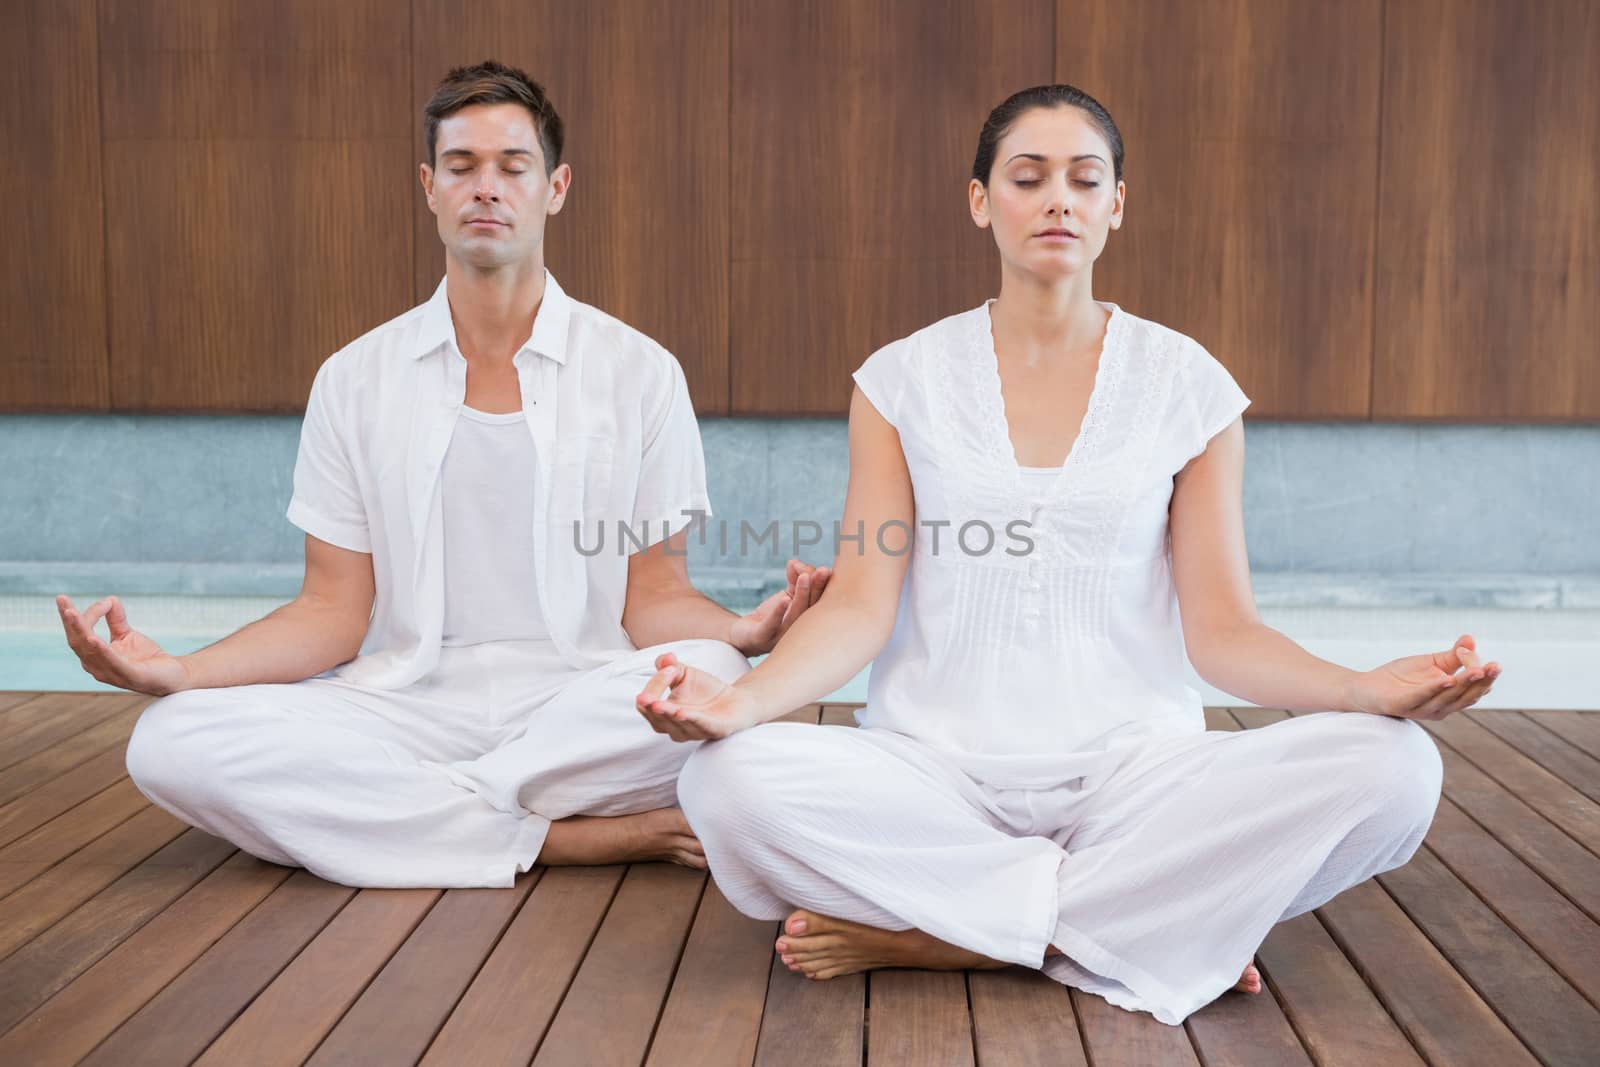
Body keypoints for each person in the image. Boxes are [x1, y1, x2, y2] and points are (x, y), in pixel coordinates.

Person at [635, 84, 1501, 1025]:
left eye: (1086, 180)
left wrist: (1364, 688)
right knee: (725, 783)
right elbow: (857, 608)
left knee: (1398, 774)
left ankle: (955, 934)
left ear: (1116, 206)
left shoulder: (1188, 387)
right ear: (981, 201)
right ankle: (1128, 922)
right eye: (1029, 177)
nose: (1059, 200)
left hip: (1136, 780)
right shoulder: (901, 381)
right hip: (934, 774)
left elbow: (1225, 634)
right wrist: (741, 702)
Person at [55, 60, 828, 889]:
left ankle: (411, 820)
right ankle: (563, 837)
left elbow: (653, 596)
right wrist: (181, 670)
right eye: (461, 167)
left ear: (556, 187)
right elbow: (332, 611)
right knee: (169, 740)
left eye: (512, 166)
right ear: (429, 186)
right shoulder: (354, 379)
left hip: (577, 703)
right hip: (400, 706)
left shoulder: (639, 372)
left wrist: (740, 632)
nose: (485, 188)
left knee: (720, 675)